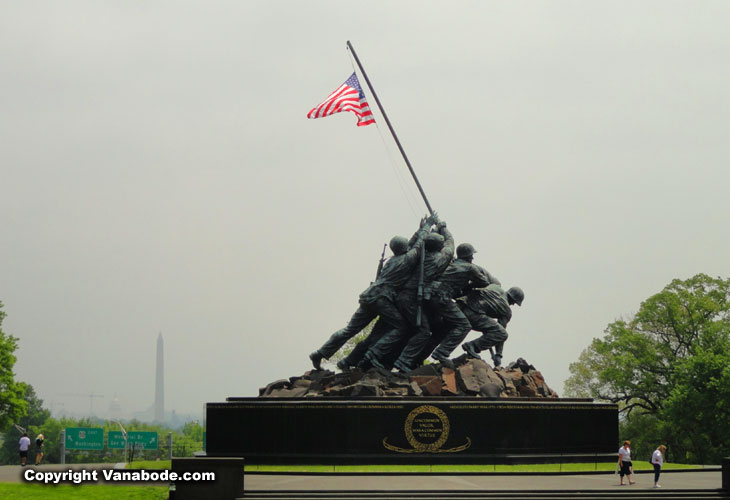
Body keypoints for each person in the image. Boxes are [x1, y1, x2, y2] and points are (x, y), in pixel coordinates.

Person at [309, 214, 437, 370]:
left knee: (350, 330)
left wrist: (420, 229)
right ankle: (374, 354)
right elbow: (418, 246)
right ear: (404, 248)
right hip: (382, 298)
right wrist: (427, 226)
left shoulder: (393, 259)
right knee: (401, 326)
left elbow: (413, 244)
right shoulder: (407, 260)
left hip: (369, 295)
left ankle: (320, 353)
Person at [460, 284, 524, 367]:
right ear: (513, 299)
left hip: (464, 306)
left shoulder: (495, 287)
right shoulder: (507, 311)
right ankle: (472, 346)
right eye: (514, 302)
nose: (513, 304)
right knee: (502, 334)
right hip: (474, 315)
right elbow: (500, 333)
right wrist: (498, 355)